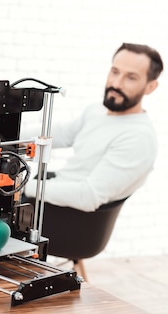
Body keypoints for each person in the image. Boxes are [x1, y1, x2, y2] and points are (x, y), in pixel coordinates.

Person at [23, 42, 163, 211]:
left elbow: (88, 197)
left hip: (63, 216)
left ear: (150, 87)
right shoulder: (97, 111)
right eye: (115, 72)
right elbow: (63, 134)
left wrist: (23, 187)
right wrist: (7, 133)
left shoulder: (139, 138)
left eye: (131, 77)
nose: (117, 84)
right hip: (51, 191)